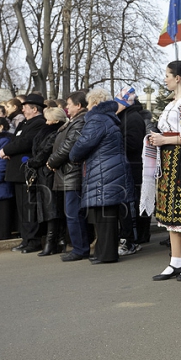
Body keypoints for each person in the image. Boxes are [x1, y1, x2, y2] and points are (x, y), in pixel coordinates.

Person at [147, 62, 181, 281]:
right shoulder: (175, 102)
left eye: (168, 75)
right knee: (170, 210)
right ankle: (175, 260)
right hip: (169, 157)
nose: (165, 79)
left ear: (178, 78)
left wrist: (164, 139)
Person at [70, 88, 134, 264]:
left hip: (102, 173)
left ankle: (106, 254)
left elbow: (83, 144)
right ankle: (104, 252)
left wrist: (73, 156)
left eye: (89, 104)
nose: (87, 108)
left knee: (103, 216)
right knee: (107, 215)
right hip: (110, 171)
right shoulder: (108, 119)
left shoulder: (97, 119)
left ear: (96, 104)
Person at [48, 91, 91, 262]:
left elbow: (68, 146)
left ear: (78, 105)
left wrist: (52, 161)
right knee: (73, 212)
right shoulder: (74, 121)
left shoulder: (80, 121)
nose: (66, 108)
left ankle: (80, 249)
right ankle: (80, 247)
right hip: (67, 173)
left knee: (74, 213)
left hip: (72, 174)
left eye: (69, 104)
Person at [1, 94, 47, 254]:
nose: (23, 109)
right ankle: (26, 238)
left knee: (29, 207)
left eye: (26, 107)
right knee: (22, 208)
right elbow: (15, 140)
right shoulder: (25, 123)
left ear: (34, 109)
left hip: (27, 171)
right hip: (17, 171)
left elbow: (26, 142)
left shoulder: (39, 123)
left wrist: (6, 150)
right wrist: (8, 151)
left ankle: (33, 240)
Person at [27, 107, 67, 256]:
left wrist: (32, 162)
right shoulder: (49, 131)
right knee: (50, 207)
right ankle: (57, 241)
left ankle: (52, 243)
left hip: (49, 173)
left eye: (49, 119)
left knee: (52, 208)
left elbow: (45, 152)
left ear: (56, 120)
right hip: (44, 173)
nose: (47, 121)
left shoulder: (55, 133)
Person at [114, 86, 146, 257]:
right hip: (127, 166)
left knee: (130, 205)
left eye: (117, 102)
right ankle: (133, 238)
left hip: (132, 166)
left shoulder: (132, 118)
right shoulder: (124, 117)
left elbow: (132, 143)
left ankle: (132, 241)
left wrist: (113, 146)